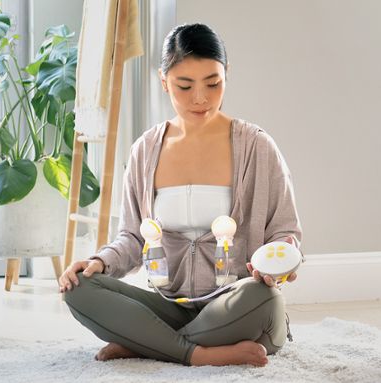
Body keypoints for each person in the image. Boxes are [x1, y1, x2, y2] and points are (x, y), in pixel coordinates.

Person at [59, 23, 302, 367]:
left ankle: (148, 343)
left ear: (226, 75)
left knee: (263, 299)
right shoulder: (146, 150)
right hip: (169, 306)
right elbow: (131, 237)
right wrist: (99, 262)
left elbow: (285, 232)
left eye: (213, 83)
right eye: (184, 86)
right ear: (164, 81)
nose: (200, 98)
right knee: (79, 289)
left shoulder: (257, 146)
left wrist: (281, 261)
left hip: (236, 305)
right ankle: (198, 353)